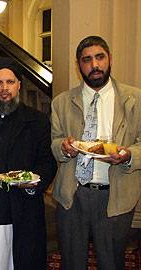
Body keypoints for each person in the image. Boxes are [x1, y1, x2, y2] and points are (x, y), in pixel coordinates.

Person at [51, 35, 141, 270]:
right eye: (87, 60)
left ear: (109, 58)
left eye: (99, 57)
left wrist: (129, 155)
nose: (95, 65)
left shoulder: (135, 99)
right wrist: (64, 147)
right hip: (73, 195)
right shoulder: (61, 102)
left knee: (111, 262)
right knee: (71, 262)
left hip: (116, 195)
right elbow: (54, 141)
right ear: (78, 65)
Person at [0, 57, 57, 270]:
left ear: (19, 85)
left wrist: (32, 184)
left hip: (22, 211)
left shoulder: (38, 121)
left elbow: (47, 162)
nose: (4, 88)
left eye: (10, 82)